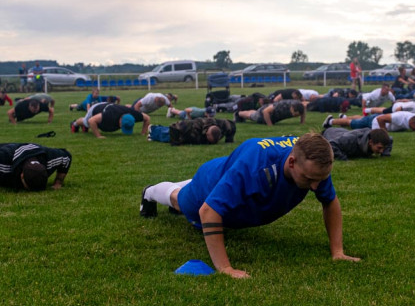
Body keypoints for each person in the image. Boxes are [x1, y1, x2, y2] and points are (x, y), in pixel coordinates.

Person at [139, 133, 360, 278]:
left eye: (320, 179)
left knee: (223, 193)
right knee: (181, 201)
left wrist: (337, 251)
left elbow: (330, 201)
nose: (315, 186)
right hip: (207, 187)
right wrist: (226, 268)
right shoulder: (258, 167)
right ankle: (149, 192)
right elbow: (209, 211)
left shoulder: (314, 163)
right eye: (309, 179)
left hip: (229, 173)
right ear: (291, 163)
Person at [0, 142, 71, 196]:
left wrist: (58, 182)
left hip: (24, 149)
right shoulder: (1, 160)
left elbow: (67, 156)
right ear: (22, 175)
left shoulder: (49, 159)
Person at [72, 102, 150, 138]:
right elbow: (91, 120)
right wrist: (98, 136)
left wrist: (143, 133)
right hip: (96, 108)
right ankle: (74, 124)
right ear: (120, 120)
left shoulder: (134, 114)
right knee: (86, 122)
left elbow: (147, 118)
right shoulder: (109, 114)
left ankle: (85, 127)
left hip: (109, 106)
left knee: (91, 124)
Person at [149, 117, 237, 146]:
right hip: (182, 133)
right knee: (166, 135)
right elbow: (173, 128)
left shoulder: (224, 125)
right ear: (207, 133)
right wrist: (175, 143)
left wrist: (229, 140)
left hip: (189, 137)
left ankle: (155, 130)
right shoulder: (193, 126)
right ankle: (153, 129)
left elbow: (232, 126)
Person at [322, 127, 392, 160]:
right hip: (330, 133)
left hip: (343, 132)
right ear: (370, 142)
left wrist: (385, 154)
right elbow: (331, 144)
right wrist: (344, 158)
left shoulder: (382, 139)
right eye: (379, 148)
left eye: (383, 148)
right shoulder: (350, 141)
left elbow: (390, 140)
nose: (381, 151)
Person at [236, 100, 306, 126]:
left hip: (273, 115)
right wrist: (270, 125)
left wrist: (302, 122)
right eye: (295, 114)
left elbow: (304, 109)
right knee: (251, 116)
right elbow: (265, 111)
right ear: (292, 108)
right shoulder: (282, 105)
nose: (295, 116)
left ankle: (242, 112)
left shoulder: (299, 106)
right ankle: (238, 114)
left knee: (254, 112)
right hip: (264, 114)